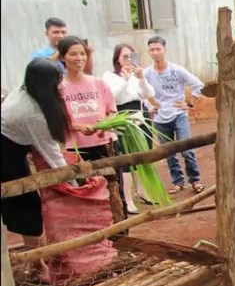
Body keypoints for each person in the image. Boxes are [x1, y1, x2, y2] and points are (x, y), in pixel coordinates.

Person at [1, 58, 71, 248]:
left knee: (25, 203)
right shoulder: (32, 113)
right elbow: (52, 153)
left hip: (13, 149)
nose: (62, 85)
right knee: (25, 204)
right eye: (58, 81)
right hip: (6, 155)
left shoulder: (26, 89)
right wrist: (72, 181)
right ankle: (37, 264)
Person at [58, 36, 127, 214]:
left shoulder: (98, 83)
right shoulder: (58, 88)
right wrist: (79, 128)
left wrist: (102, 125)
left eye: (82, 53)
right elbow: (57, 120)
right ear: (62, 57)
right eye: (73, 54)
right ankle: (94, 236)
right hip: (76, 149)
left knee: (114, 190)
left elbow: (111, 111)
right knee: (85, 192)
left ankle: (121, 233)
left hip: (105, 144)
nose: (79, 58)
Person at [143, 36, 205, 195]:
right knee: (168, 151)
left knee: (186, 147)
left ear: (164, 50)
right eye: (152, 50)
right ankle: (178, 182)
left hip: (179, 114)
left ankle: (195, 180)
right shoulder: (147, 73)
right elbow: (141, 92)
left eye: (158, 49)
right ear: (149, 51)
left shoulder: (176, 70)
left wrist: (189, 103)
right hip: (159, 118)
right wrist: (151, 105)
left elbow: (198, 85)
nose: (155, 53)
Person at [103, 44, 156, 214]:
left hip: (141, 117)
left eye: (131, 56)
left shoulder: (136, 75)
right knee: (126, 161)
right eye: (124, 56)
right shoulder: (109, 76)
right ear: (116, 58)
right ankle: (128, 199)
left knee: (142, 156)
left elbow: (148, 94)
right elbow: (113, 97)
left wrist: (140, 78)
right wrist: (125, 81)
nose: (128, 60)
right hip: (123, 118)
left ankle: (142, 192)